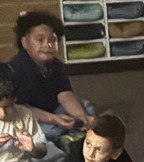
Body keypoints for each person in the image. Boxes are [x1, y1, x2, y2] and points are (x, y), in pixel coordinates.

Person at [9, 11, 94, 143]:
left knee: (86, 108)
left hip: (52, 111)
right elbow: (21, 109)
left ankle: (71, 136)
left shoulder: (54, 64)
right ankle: (67, 140)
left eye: (53, 40)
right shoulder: (17, 69)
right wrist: (55, 119)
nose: (48, 45)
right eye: (40, 39)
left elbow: (65, 94)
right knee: (50, 131)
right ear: (25, 42)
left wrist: (80, 117)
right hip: (28, 118)